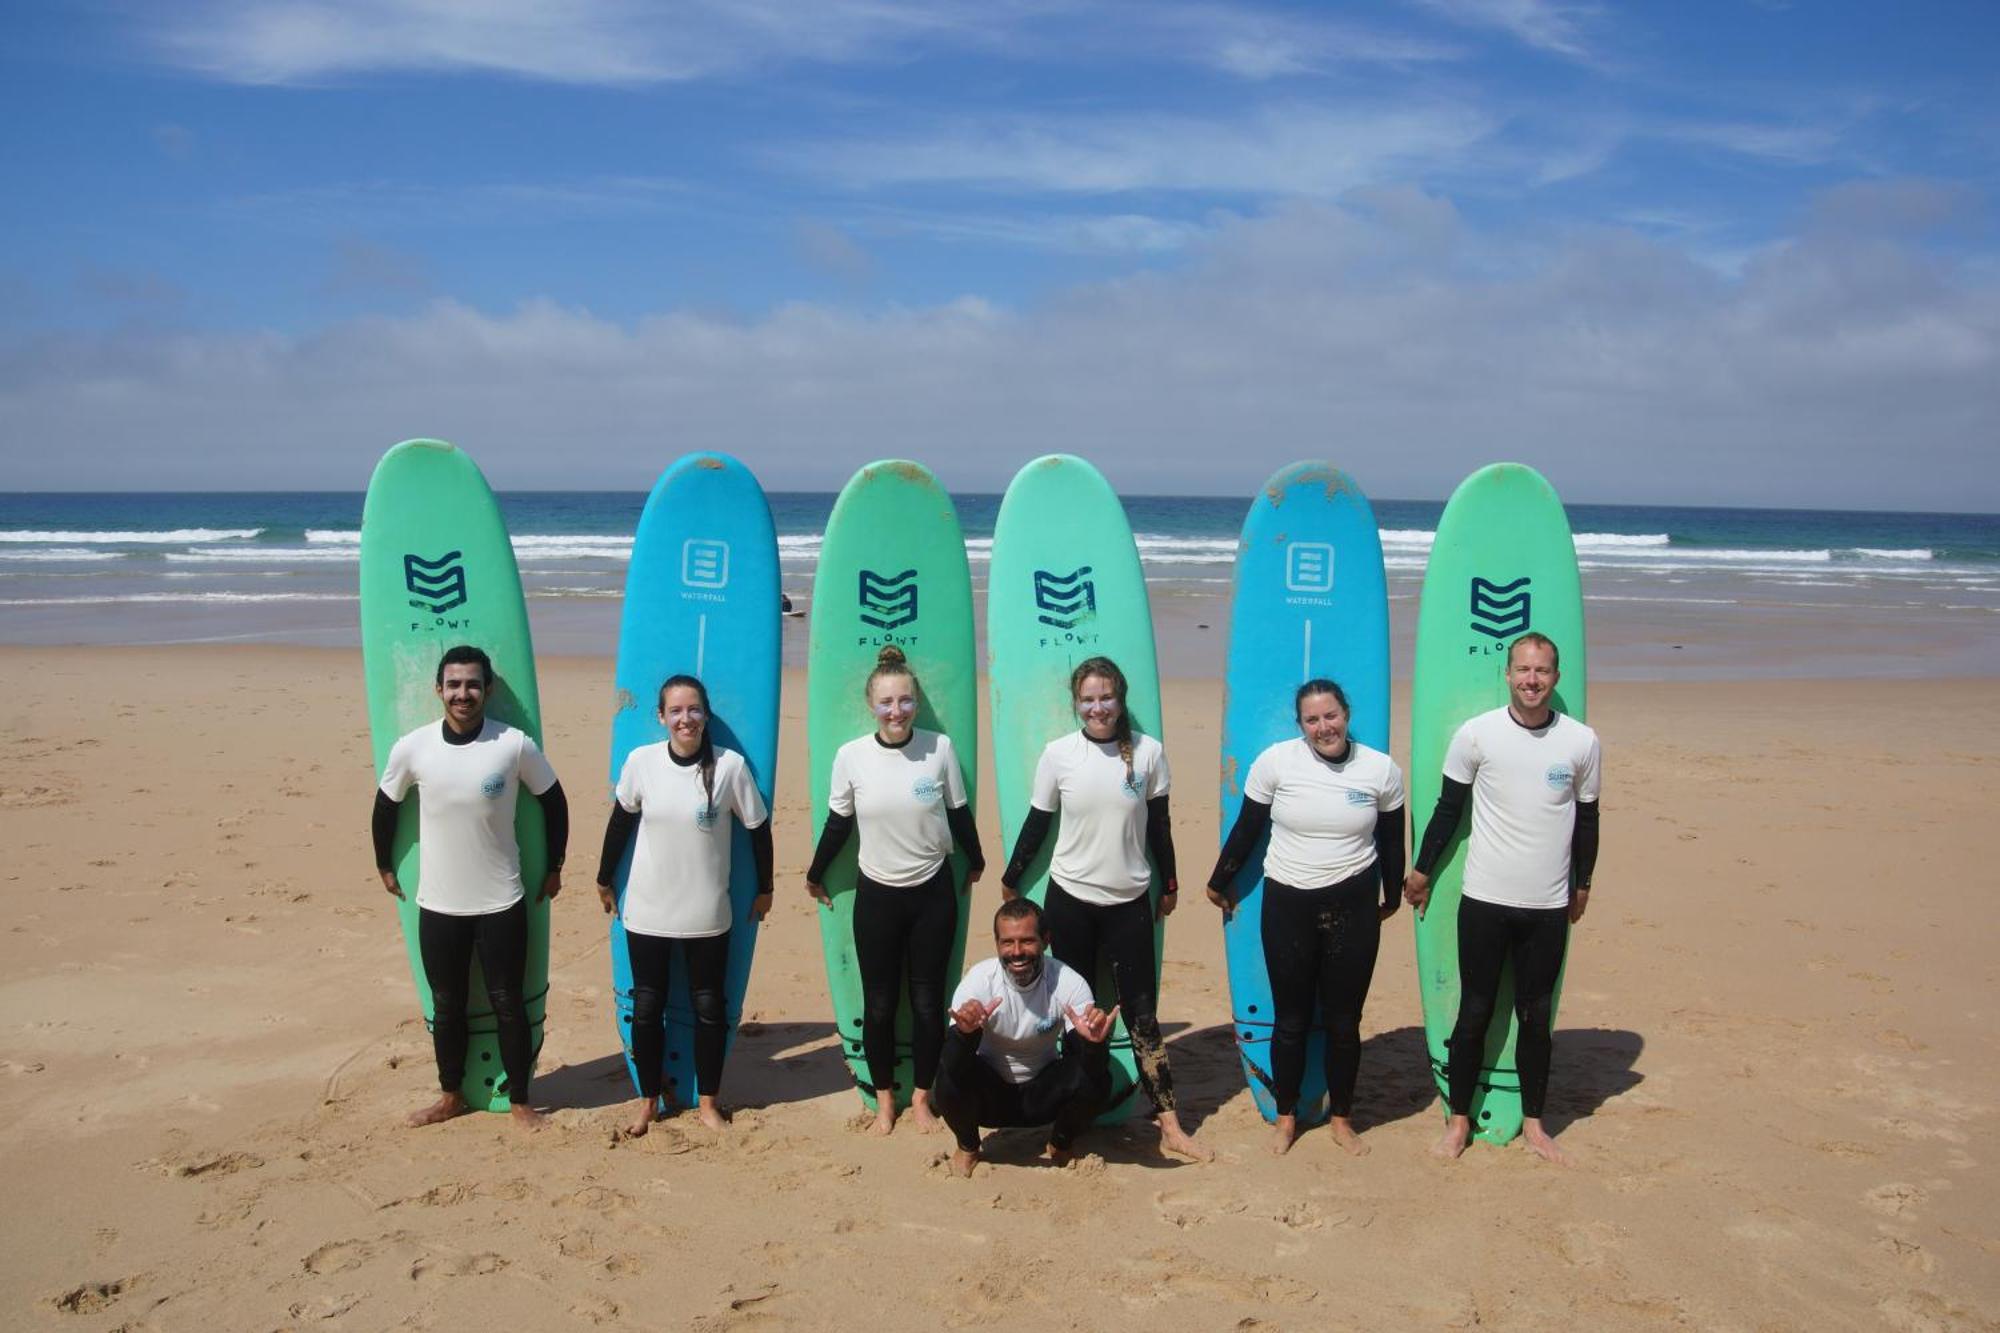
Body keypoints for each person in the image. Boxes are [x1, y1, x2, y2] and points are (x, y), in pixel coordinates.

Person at [1000, 655, 1211, 1162]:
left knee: (1142, 1016)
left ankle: (1169, 1124)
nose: (1098, 707)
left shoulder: (1149, 753)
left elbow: (1159, 825)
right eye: (1088, 699)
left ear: (1121, 699)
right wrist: (1012, 879)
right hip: (1069, 899)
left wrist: (1172, 881)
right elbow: (1037, 823)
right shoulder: (1058, 754)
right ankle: (1075, 1114)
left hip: (1129, 901)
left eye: (1106, 697)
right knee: (1075, 1013)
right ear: (1077, 703)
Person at [1403, 632, 1601, 1165]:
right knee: (1475, 1011)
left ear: (1555, 678)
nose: (1531, 680)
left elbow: (1588, 819)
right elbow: (1447, 811)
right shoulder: (1476, 736)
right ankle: (1459, 1120)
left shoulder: (1581, 742)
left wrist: (1583, 884)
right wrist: (1421, 871)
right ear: (1507, 675)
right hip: (1486, 899)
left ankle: (1535, 1124)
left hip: (1547, 904)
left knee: (1537, 1017)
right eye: (1523, 670)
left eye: (1542, 672)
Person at [372, 644, 569, 1129]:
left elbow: (554, 801)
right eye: (455, 684)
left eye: (473, 684)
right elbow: (385, 805)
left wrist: (555, 864)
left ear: (488, 690)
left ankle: (522, 1099)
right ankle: (449, 1095)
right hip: (439, 903)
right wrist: (384, 863)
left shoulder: (513, 745)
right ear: (439, 689)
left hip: (501, 899)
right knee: (447, 1006)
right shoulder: (413, 747)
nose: (464, 693)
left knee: (508, 1002)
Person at [1206, 679, 1405, 1157]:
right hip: (1288, 904)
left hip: (1353, 906)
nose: (1324, 727)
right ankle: (1287, 1116)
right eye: (1313, 720)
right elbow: (1248, 827)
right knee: (1290, 1020)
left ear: (1346, 713)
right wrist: (1219, 881)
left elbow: (1393, 841)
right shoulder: (1277, 762)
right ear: (1301, 725)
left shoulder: (1380, 770)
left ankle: (1341, 1119)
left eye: (1331, 715)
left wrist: (1392, 895)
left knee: (1343, 1021)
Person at [806, 646, 985, 1136]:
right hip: (878, 895)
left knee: (929, 1004)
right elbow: (838, 822)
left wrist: (977, 860)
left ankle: (923, 1098)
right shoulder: (852, 757)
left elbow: (958, 813)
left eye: (905, 701)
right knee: (880, 1005)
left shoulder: (939, 749)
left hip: (933, 892)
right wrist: (816, 871)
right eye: (886, 702)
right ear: (872, 705)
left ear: (916, 703)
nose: (896, 711)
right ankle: (886, 1100)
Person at [596, 674, 773, 1137]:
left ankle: (709, 1102)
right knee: (648, 1006)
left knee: (709, 1007)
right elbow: (620, 823)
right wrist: (603, 877)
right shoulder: (643, 763)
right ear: (661, 717)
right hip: (648, 909)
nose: (685, 719)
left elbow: (758, 829)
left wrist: (766, 887)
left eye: (693, 709)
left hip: (707, 913)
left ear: (706, 714)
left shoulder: (730, 768)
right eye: (675, 711)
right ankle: (647, 1101)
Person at [933, 898, 1119, 1177]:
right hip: (989, 1096)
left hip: (1043, 1095)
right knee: (947, 1075)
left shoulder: (1068, 982)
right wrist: (964, 1034)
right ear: (997, 943)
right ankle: (969, 1145)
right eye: (1007, 942)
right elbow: (952, 1063)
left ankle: (1060, 1142)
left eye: (1027, 941)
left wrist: (1093, 1044)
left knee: (1100, 1078)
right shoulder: (979, 981)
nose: (1017, 952)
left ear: (1045, 940)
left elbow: (1091, 1069)